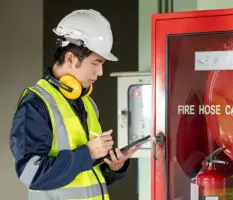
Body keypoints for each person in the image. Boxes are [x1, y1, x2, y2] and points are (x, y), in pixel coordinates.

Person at [9, 9, 138, 200]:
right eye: (96, 63)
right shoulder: (36, 105)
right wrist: (87, 153)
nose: (100, 72)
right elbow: (32, 174)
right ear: (70, 59)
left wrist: (113, 167)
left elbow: (86, 176)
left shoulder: (87, 104)